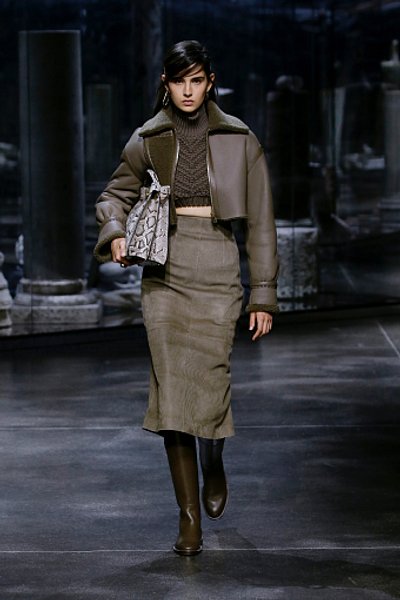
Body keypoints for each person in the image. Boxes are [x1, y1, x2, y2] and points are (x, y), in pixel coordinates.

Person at [94, 40, 279, 557]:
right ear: (166, 84)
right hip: (165, 270)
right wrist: (115, 233)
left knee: (211, 383)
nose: (188, 91)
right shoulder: (149, 137)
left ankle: (213, 458)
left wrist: (263, 294)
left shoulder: (239, 138)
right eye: (179, 81)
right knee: (173, 393)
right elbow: (114, 195)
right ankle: (188, 516)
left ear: (210, 82)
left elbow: (262, 222)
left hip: (218, 264)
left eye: (197, 80)